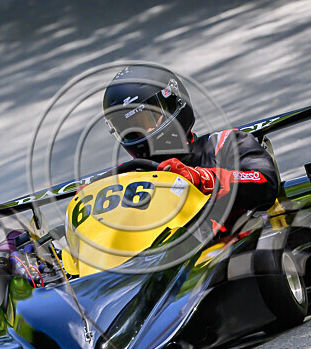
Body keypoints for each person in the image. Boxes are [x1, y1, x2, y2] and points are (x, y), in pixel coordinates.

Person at [102, 64, 279, 232]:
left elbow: (265, 181)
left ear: (174, 104)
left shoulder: (223, 144)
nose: (143, 132)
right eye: (131, 129)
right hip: (168, 259)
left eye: (149, 119)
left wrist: (201, 179)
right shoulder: (130, 182)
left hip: (232, 249)